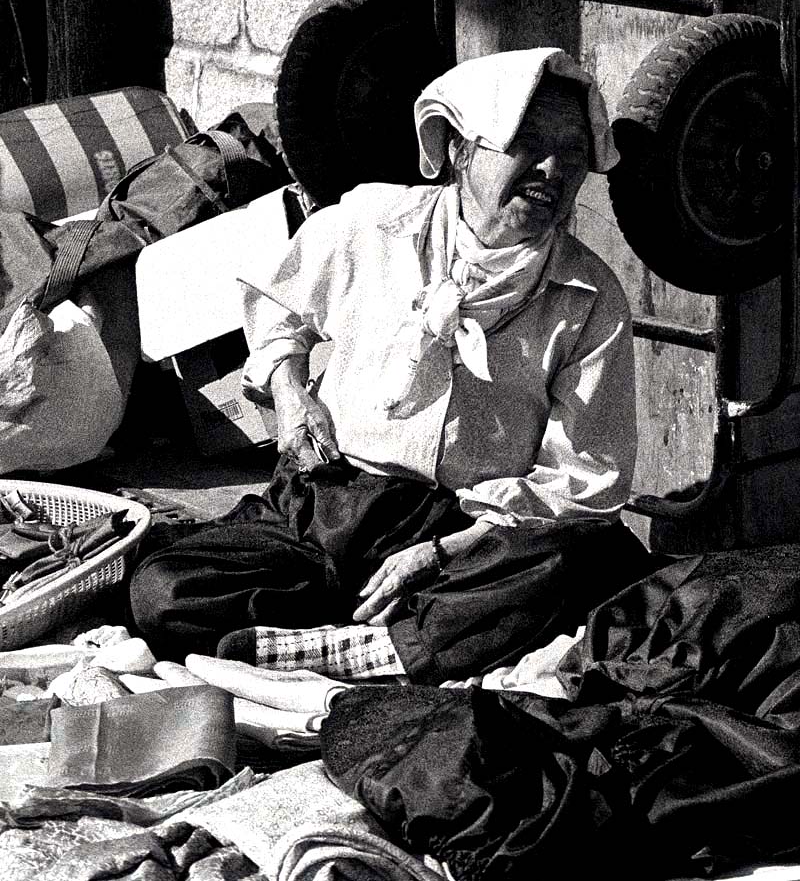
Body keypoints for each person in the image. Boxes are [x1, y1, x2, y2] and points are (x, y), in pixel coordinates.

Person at [130, 47, 654, 684]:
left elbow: (583, 481)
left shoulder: (590, 299)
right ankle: (398, 641)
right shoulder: (372, 223)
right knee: (164, 589)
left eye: (572, 152)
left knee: (586, 565)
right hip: (330, 499)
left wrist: (439, 553)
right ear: (459, 149)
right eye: (526, 143)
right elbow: (277, 304)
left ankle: (345, 651)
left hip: (464, 529)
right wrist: (291, 392)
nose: (551, 169)